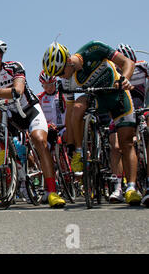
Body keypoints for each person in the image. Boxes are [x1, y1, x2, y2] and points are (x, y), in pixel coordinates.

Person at [42, 40, 141, 205]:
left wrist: (124, 78)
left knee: (126, 142)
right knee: (79, 105)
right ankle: (83, 152)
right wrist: (72, 146)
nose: (61, 77)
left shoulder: (94, 48)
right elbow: (70, 115)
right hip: (97, 99)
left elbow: (127, 62)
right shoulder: (67, 81)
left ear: (68, 61)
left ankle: (131, 188)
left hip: (116, 94)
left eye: (60, 72)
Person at [0, 38, 66, 208]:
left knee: (39, 140)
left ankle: (52, 191)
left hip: (28, 110)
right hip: (9, 114)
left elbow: (18, 90)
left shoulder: (13, 67)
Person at [107, 44, 149, 204]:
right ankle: (118, 187)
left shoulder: (143, 67)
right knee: (116, 146)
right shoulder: (113, 74)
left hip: (141, 111)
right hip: (121, 114)